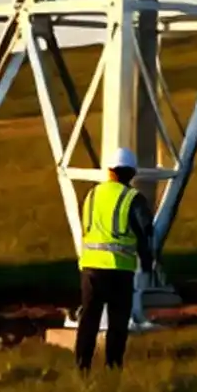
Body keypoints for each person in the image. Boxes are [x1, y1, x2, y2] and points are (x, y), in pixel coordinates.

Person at [74, 146, 156, 371]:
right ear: (132, 173)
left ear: (110, 170)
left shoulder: (91, 194)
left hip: (90, 269)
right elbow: (145, 230)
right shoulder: (132, 198)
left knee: (88, 321)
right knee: (117, 324)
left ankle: (82, 368)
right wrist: (147, 264)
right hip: (119, 270)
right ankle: (113, 367)